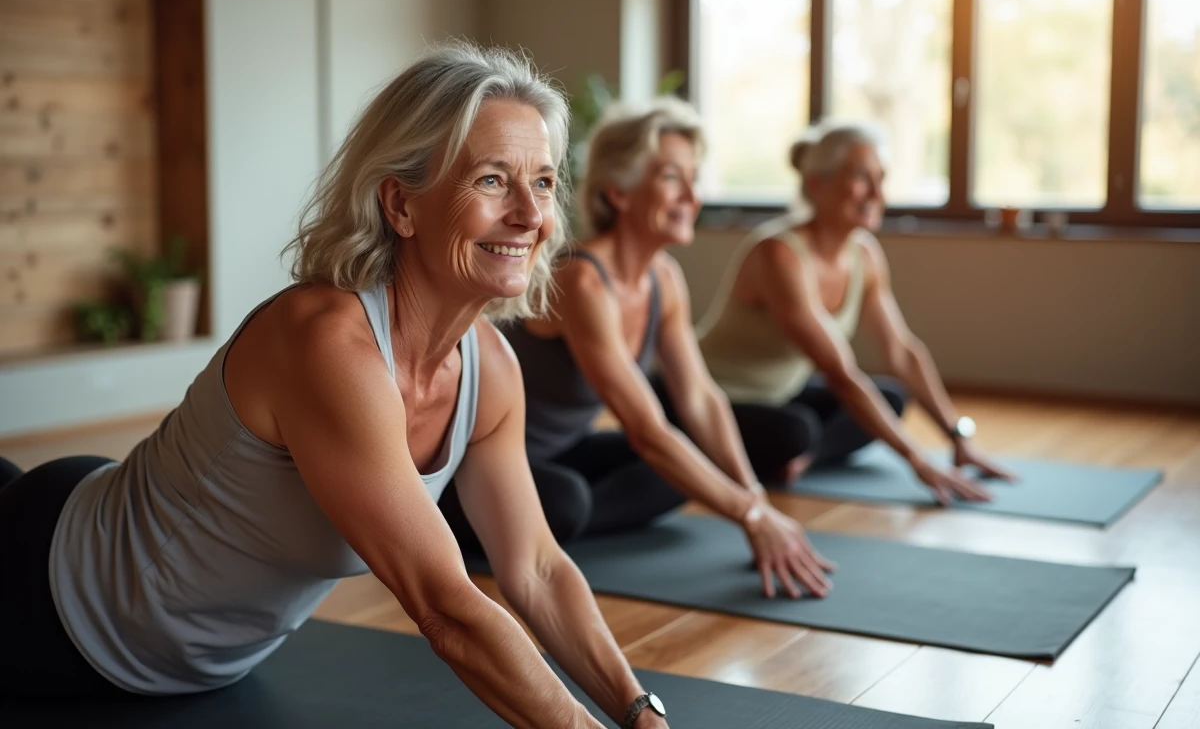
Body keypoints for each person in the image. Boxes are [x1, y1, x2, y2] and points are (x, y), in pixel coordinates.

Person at [0, 44, 674, 729]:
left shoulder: (491, 368)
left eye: (543, 182)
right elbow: (445, 608)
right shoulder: (327, 343)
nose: (531, 215)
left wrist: (638, 710)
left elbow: (534, 567)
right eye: (493, 180)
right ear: (400, 205)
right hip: (52, 597)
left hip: (194, 661)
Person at [442, 97, 836, 601]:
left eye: (695, 178)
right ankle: (521, 529)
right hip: (485, 467)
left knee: (686, 470)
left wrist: (753, 498)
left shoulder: (664, 278)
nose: (692, 195)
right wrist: (748, 514)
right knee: (570, 501)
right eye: (673, 177)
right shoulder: (581, 279)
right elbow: (646, 429)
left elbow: (699, 398)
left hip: (563, 451)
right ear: (619, 192)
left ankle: (538, 529)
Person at [696, 123, 1016, 505]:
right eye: (862, 178)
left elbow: (901, 352)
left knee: (891, 398)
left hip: (780, 393)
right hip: (709, 395)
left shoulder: (864, 254)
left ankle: (801, 461)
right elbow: (840, 373)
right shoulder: (779, 254)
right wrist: (918, 460)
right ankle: (789, 452)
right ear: (817, 184)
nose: (878, 194)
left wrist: (958, 437)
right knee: (796, 430)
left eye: (882, 179)